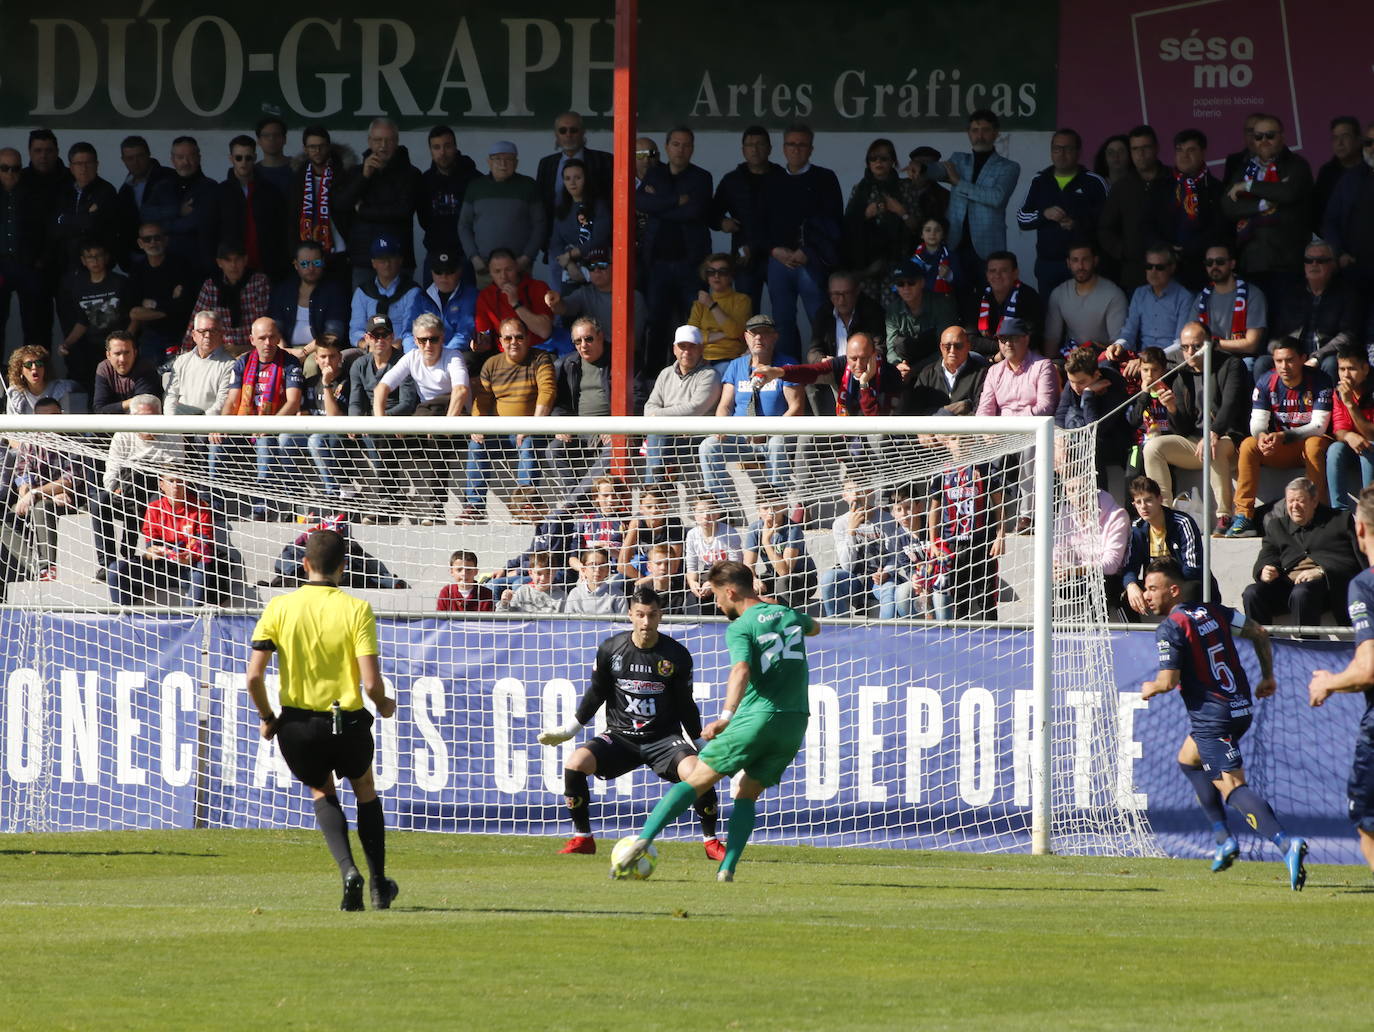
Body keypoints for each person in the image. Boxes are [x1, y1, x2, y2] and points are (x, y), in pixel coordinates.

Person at [611, 560, 820, 882]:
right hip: (794, 723)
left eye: (718, 596)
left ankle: (641, 843)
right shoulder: (788, 615)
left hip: (757, 718)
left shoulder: (741, 627)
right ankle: (727, 869)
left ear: (731, 591)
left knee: (696, 779)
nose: (717, 603)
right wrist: (776, 610)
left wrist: (725, 717)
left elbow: (741, 670)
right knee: (748, 791)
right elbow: (814, 627)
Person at [246, 529, 399, 911]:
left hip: (297, 725)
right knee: (364, 787)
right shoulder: (356, 608)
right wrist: (383, 705)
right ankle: (379, 884)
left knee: (321, 791)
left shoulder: (279, 607)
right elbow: (370, 682)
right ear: (343, 568)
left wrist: (267, 717)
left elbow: (253, 676)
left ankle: (348, 872)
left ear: (305, 565)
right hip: (345, 721)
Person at [1140, 557, 1308, 888]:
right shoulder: (1214, 611)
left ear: (1173, 590)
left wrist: (1150, 687)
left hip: (1212, 718)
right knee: (1188, 760)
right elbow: (1259, 632)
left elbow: (1167, 680)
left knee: (1232, 786)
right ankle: (1223, 838)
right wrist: (1268, 676)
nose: (1146, 595)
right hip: (1239, 708)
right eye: (1145, 589)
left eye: (1152, 589)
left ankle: (1286, 843)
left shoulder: (1173, 626)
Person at [537, 586, 724, 859]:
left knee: (699, 772)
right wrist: (569, 731)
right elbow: (596, 694)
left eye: (652, 615)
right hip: (620, 737)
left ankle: (711, 842)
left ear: (660, 615)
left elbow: (685, 704)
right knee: (576, 763)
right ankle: (583, 838)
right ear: (630, 616)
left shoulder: (676, 656)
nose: (646, 622)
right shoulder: (611, 650)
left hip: (663, 739)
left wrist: (699, 744)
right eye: (640, 615)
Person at [1308, 485, 1374, 876]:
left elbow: (1368, 669)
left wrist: (1330, 682)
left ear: (1360, 529)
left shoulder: (1365, 585)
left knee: (1367, 816)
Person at [1137, 325, 1247, 535]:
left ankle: (1224, 516)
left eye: (1196, 346)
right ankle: (1165, 514)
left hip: (1228, 439)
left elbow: (1231, 406)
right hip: (1195, 442)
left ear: (1210, 344)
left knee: (1212, 447)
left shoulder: (1231, 364)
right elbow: (1183, 428)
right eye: (1185, 347)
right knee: (1153, 447)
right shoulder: (1182, 374)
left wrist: (1213, 432)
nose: (1190, 353)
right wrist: (1172, 409)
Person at [1225, 338, 1332, 538]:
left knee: (1314, 444)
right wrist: (1263, 437)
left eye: (1290, 360)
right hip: (1280, 447)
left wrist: (1284, 436)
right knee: (1249, 444)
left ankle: (1318, 512)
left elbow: (1319, 426)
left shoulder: (1320, 380)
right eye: (1279, 361)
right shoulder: (1266, 380)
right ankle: (1243, 516)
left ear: (1303, 359)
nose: (1284, 366)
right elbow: (1257, 422)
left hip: (1307, 445)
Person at [698, 313, 804, 516]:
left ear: (774, 337)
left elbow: (796, 408)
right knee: (708, 447)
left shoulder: (786, 366)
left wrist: (770, 431)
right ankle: (719, 511)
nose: (758, 338)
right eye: (754, 334)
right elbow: (725, 406)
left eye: (764, 333)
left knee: (777, 444)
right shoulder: (736, 366)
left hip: (775, 437)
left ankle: (776, 509)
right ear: (746, 337)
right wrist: (721, 427)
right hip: (741, 439)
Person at [107, 472, 252, 607]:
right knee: (116, 569)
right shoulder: (154, 508)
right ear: (161, 484)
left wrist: (189, 556)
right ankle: (122, 618)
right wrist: (153, 552)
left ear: (186, 483)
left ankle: (191, 621)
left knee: (202, 568)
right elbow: (151, 545)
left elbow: (205, 543)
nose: (176, 486)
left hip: (189, 568)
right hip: (161, 568)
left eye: (180, 481)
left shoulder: (200, 508)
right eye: (171, 481)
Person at [760, 123, 843, 354]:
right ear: (783, 148)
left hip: (811, 261)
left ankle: (825, 375)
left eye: (802, 145)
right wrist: (773, 250)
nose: (796, 149)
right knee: (782, 321)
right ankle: (790, 376)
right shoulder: (771, 180)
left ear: (811, 149)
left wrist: (807, 251)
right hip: (778, 261)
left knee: (820, 318)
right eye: (791, 144)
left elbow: (834, 221)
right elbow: (760, 222)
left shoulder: (825, 178)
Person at [465, 317, 557, 522]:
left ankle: (525, 504)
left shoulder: (541, 359)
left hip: (534, 430)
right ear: (500, 340)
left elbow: (547, 391)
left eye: (519, 337)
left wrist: (532, 425)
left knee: (529, 442)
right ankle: (474, 506)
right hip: (501, 433)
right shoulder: (491, 364)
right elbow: (483, 399)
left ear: (528, 338)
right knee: (476, 444)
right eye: (508, 338)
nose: (513, 342)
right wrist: (477, 424)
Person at [919, 109, 1022, 291]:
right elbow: (938, 171)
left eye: (985, 130)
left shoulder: (1009, 167)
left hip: (988, 248)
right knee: (957, 299)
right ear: (968, 133)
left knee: (988, 300)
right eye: (974, 130)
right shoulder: (959, 160)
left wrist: (959, 182)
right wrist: (921, 168)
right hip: (955, 243)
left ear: (996, 133)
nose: (979, 135)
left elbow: (996, 197)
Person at [637, 126, 715, 364]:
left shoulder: (702, 177)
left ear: (692, 148)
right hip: (657, 263)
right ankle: (655, 376)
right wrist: (675, 201)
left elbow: (693, 212)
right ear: (667, 147)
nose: (681, 150)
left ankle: (692, 374)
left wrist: (660, 205)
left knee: (691, 323)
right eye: (676, 144)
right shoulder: (654, 173)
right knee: (657, 322)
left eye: (686, 145)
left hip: (691, 263)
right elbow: (640, 201)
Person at [1242, 478, 1361, 628]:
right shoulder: (1277, 526)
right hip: (1286, 588)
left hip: (1326, 591)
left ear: (1314, 501)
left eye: (1300, 501)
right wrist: (1265, 569)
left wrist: (1321, 571)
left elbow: (1353, 561)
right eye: (1290, 501)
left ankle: (1305, 648)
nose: (1294, 506)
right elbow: (1267, 555)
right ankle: (1260, 646)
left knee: (1302, 592)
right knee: (1252, 593)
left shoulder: (1339, 521)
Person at [1220, 114, 1313, 303]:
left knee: (1285, 325)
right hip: (1252, 260)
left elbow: (1288, 193)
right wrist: (1263, 203)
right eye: (1258, 136)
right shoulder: (1246, 168)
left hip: (1286, 260)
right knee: (1255, 324)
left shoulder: (1296, 164)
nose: (1264, 141)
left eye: (1270, 135)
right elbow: (1228, 206)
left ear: (1282, 137)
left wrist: (1248, 187)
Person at [1016, 128, 1109, 293]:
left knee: (1086, 316)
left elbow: (1109, 220)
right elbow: (1022, 219)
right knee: (1050, 316)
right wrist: (1044, 214)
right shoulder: (1039, 180)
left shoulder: (1095, 182)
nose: (1062, 153)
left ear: (1078, 152)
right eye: (1057, 148)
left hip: (1084, 264)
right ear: (1051, 151)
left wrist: (1077, 224)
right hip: (1048, 264)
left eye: (1068, 148)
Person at [334, 117, 422, 288]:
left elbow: (402, 211)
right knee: (364, 313)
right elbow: (341, 206)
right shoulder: (356, 173)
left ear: (396, 142)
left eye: (388, 140)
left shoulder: (410, 174)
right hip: (364, 259)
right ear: (369, 141)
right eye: (377, 140)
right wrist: (364, 177)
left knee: (401, 313)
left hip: (398, 259)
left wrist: (363, 210)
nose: (383, 145)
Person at [1120, 476, 1211, 620]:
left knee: (1191, 588)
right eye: (1138, 502)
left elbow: (1193, 568)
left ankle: (1190, 630)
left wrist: (1164, 587)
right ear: (1134, 504)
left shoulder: (1182, 523)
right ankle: (1134, 635)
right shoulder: (1137, 528)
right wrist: (1131, 585)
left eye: (1148, 500)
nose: (1143, 506)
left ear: (1160, 499)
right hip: (1156, 586)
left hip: (1184, 582)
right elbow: (1130, 566)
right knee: (1126, 592)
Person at [711, 125, 782, 310]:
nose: (755, 149)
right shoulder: (732, 180)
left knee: (783, 312)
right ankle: (750, 341)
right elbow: (711, 213)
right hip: (744, 259)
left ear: (769, 148)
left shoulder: (782, 177)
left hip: (777, 254)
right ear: (743, 150)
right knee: (747, 313)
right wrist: (722, 222)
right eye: (750, 145)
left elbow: (787, 220)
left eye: (760, 144)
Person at [842, 137, 923, 296]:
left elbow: (918, 227)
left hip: (896, 258)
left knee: (891, 308)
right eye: (873, 158)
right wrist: (865, 214)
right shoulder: (860, 189)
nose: (878, 162)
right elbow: (847, 225)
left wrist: (901, 211)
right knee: (868, 310)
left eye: (884, 158)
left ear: (893, 161)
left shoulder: (905, 187)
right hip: (865, 261)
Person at [642, 326, 722, 484]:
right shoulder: (665, 373)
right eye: (682, 346)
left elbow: (694, 409)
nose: (687, 351)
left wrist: (658, 415)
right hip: (670, 437)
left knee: (657, 434)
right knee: (657, 435)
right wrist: (661, 418)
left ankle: (652, 491)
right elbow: (649, 406)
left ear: (701, 349)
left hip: (696, 438)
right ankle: (655, 491)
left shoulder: (710, 375)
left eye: (692, 346)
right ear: (674, 349)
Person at [459, 141, 545, 285]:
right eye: (497, 159)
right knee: (488, 306)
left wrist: (527, 257)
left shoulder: (528, 186)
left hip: (519, 266)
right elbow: (463, 225)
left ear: (516, 163)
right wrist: (474, 257)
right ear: (489, 162)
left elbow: (540, 224)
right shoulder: (476, 187)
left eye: (509, 159)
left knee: (520, 305)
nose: (503, 164)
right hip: (485, 267)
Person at [1099, 125, 1172, 292]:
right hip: (1135, 275)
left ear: (1156, 148)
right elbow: (1105, 229)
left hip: (1172, 271)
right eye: (1135, 149)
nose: (1140, 154)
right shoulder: (1121, 187)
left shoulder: (1174, 180)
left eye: (1145, 147)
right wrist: (1124, 251)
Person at [9, 397, 75, 582]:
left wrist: (36, 493)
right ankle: (36, 566)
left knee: (41, 508)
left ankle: (48, 568)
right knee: (5, 520)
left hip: (69, 502)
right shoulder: (30, 444)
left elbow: (69, 481)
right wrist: (25, 492)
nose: (49, 422)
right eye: (43, 417)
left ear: (61, 416)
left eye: (53, 416)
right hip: (36, 499)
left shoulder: (73, 442)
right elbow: (22, 474)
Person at [57, 241, 130, 395]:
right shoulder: (78, 286)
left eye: (98, 256)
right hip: (93, 346)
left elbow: (133, 316)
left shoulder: (120, 282)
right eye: (90, 257)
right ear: (83, 261)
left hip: (120, 345)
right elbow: (82, 321)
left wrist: (128, 340)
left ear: (106, 258)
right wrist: (67, 343)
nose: (95, 261)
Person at [216, 135, 289, 283]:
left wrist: (281, 262)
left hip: (267, 266)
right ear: (231, 159)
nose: (243, 162)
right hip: (232, 268)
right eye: (238, 158)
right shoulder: (220, 192)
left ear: (255, 157)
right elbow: (210, 231)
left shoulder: (270, 191)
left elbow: (282, 229)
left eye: (248, 158)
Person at [142, 136, 219, 277]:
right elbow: (146, 215)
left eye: (190, 156)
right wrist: (177, 210)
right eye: (180, 157)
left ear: (199, 158)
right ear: (172, 160)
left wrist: (164, 225)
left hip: (199, 265)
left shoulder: (210, 187)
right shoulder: (162, 187)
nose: (185, 162)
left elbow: (196, 222)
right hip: (166, 264)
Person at [124, 221, 198, 365]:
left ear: (165, 240)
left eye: (157, 238)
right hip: (150, 337)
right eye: (147, 239)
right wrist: (169, 306)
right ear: (140, 243)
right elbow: (133, 312)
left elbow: (185, 305)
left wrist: (152, 305)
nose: (153, 242)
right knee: (150, 383)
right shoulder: (137, 270)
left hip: (180, 334)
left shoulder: (181, 265)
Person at [1161, 129, 1226, 292]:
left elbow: (1221, 229)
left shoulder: (1216, 188)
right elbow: (1148, 224)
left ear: (1203, 152)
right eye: (1179, 150)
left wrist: (1189, 248)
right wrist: (1166, 247)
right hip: (1166, 270)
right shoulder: (1161, 186)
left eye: (1191, 150)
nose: (1184, 156)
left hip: (1203, 271)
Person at [535, 111, 614, 238]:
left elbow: (611, 200)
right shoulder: (546, 164)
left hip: (595, 237)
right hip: (554, 238)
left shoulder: (604, 160)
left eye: (573, 130)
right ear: (556, 135)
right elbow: (542, 203)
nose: (568, 134)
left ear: (583, 132)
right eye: (562, 130)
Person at [183, 244, 271, 356]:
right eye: (228, 260)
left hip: (252, 349)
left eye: (237, 260)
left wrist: (248, 349)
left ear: (245, 260)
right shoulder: (211, 286)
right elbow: (196, 321)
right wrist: (185, 352)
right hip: (220, 350)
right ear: (219, 263)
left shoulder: (258, 282)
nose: (233, 265)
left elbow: (263, 321)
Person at [820, 479, 891, 617]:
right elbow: (848, 566)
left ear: (870, 492)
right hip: (854, 579)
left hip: (879, 579)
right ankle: (838, 631)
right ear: (844, 496)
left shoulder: (887, 519)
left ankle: (887, 634)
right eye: (851, 491)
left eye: (861, 490)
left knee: (889, 589)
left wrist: (886, 572)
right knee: (829, 578)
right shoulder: (840, 524)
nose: (857, 495)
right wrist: (851, 531)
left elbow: (894, 556)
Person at [1043, 242, 1127, 355]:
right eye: (1075, 260)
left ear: (1095, 261)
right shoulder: (1059, 293)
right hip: (1071, 357)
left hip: (1103, 357)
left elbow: (1117, 343)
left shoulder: (1113, 294)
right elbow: (1052, 339)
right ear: (1068, 263)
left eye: (1085, 260)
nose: (1080, 266)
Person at [417, 124, 479, 270]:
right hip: (435, 253)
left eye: (447, 146)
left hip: (467, 255)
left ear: (455, 147)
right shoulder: (425, 180)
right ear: (431, 151)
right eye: (436, 147)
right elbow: (424, 219)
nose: (442, 152)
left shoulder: (474, 179)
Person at [270, 240, 349, 353]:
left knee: (311, 365)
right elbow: (274, 327)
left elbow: (333, 333)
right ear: (296, 265)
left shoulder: (334, 291)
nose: (311, 268)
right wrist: (283, 351)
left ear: (323, 262)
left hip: (320, 350)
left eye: (316, 263)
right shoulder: (283, 291)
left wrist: (304, 352)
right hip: (286, 349)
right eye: (304, 264)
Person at [1195, 242, 1267, 366]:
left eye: (1220, 262)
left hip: (1241, 359)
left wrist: (1214, 344)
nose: (1214, 266)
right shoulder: (1201, 297)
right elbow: (1192, 334)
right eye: (1209, 263)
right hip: (1208, 356)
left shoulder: (1253, 294)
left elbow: (1251, 345)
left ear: (1232, 264)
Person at [884, 259, 958, 378]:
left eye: (911, 282)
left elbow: (947, 348)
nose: (906, 288)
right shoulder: (893, 311)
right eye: (900, 284)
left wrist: (915, 370)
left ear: (922, 283)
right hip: (905, 368)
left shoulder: (942, 305)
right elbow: (891, 348)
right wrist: (898, 366)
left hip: (939, 367)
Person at [743, 491, 815, 613]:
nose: (771, 512)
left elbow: (785, 571)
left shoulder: (793, 529)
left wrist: (766, 541)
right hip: (773, 576)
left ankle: (786, 620)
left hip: (802, 578)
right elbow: (748, 565)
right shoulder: (755, 529)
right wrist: (754, 579)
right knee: (743, 582)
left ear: (784, 508)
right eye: (765, 508)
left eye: (775, 507)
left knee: (783, 582)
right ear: (758, 511)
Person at [965, 251, 1043, 357]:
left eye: (1004, 271)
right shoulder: (978, 296)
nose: (997, 275)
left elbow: (1031, 338)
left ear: (1015, 273)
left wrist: (1005, 351)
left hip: (1020, 355)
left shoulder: (1029, 297)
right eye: (993, 271)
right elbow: (970, 339)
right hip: (987, 356)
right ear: (987, 275)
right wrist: (1000, 349)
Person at [347, 236, 421, 348]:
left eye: (391, 258)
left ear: (400, 260)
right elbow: (355, 331)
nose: (387, 264)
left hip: (401, 350)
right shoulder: (362, 292)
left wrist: (393, 349)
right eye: (382, 259)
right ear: (373, 262)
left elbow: (410, 331)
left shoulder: (412, 291)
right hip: (369, 350)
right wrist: (369, 346)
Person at [547, 157, 610, 285]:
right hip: (569, 272)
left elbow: (600, 238)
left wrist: (571, 255)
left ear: (586, 179)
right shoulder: (562, 208)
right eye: (567, 178)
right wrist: (569, 265)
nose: (572, 183)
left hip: (598, 268)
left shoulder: (599, 205)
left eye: (578, 177)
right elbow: (555, 243)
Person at [1327, 343, 1374, 511]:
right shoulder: (1340, 391)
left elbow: (1371, 435)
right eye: (1342, 369)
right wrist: (1348, 436)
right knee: (1335, 449)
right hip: (1354, 449)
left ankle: (1370, 511)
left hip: (1370, 450)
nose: (1346, 375)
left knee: (1368, 447)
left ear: (1365, 369)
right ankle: (1339, 514)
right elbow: (1338, 429)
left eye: (1351, 369)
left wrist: (1351, 405)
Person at [902, 326, 988, 417]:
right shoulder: (927, 374)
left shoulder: (982, 374)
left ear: (968, 346)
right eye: (947, 346)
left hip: (964, 430)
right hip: (931, 429)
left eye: (958, 346)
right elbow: (916, 411)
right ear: (941, 347)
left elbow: (981, 412)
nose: (952, 351)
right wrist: (958, 408)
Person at [687, 253, 751, 369]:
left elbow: (736, 332)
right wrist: (724, 334)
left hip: (730, 359)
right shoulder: (699, 304)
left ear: (731, 276)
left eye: (722, 272)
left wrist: (712, 305)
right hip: (701, 359)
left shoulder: (742, 300)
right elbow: (691, 336)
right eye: (711, 272)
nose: (716, 276)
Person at [684, 495, 743, 614]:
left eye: (710, 511)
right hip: (708, 573)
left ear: (718, 514)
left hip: (728, 573)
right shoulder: (692, 535)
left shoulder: (728, 533)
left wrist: (713, 583)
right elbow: (691, 567)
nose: (705, 516)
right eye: (700, 512)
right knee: (695, 595)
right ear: (694, 514)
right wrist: (693, 583)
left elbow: (736, 567)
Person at [562, 547, 628, 615]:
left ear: (608, 570)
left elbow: (623, 624)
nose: (597, 570)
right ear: (583, 570)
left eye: (602, 565)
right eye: (592, 565)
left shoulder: (617, 595)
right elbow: (568, 623)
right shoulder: (575, 594)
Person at [495, 551, 565, 614]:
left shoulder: (562, 597)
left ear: (555, 572)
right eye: (539, 573)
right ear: (530, 573)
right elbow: (501, 621)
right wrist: (504, 604)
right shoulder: (522, 592)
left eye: (548, 573)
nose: (543, 578)